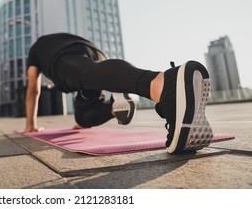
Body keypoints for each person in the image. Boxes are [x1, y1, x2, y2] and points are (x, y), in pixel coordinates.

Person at [25, 33, 213, 154]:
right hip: (95, 52)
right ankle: (115, 107)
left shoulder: (36, 50)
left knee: (88, 74)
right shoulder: (59, 38)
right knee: (83, 117)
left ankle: (163, 84)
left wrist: (31, 125)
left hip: (64, 58)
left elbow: (33, 88)